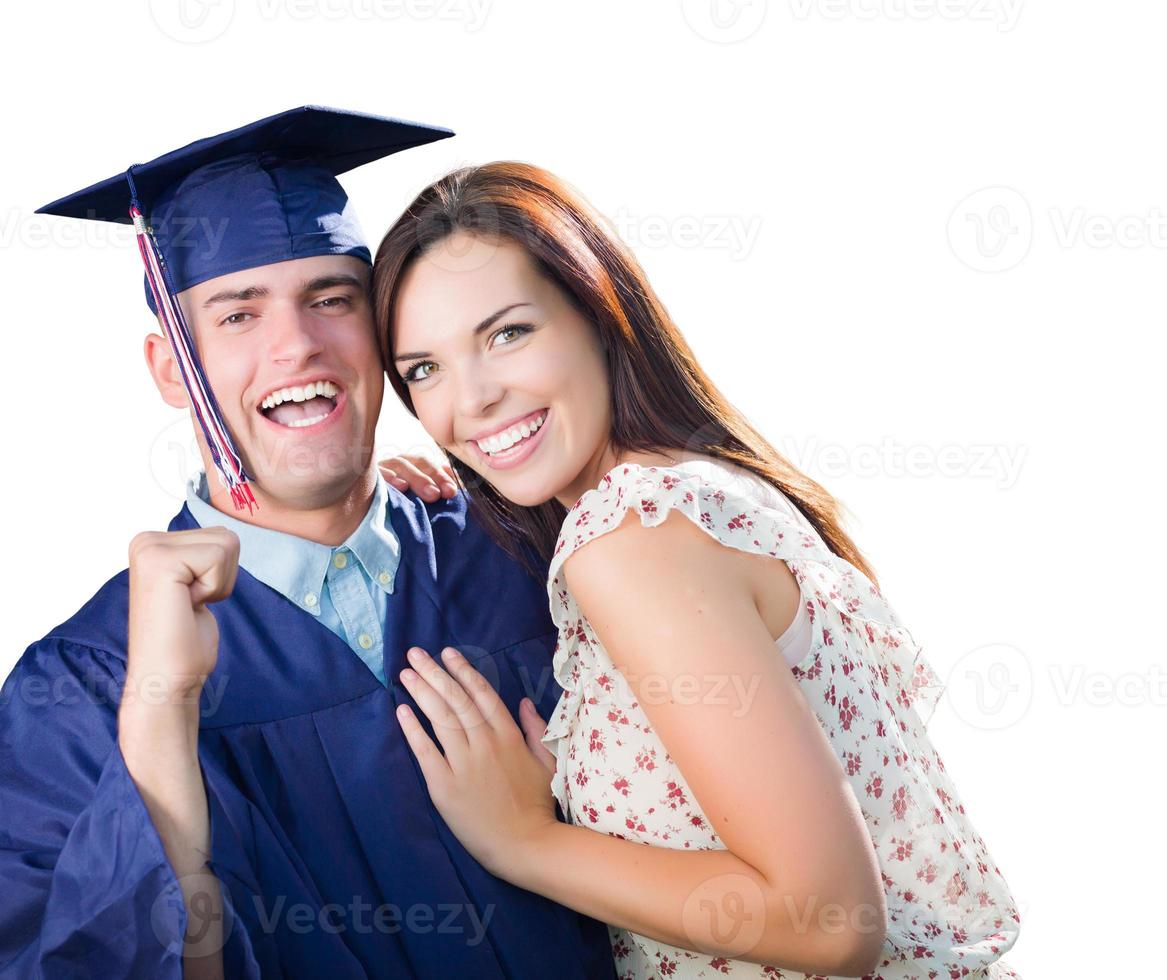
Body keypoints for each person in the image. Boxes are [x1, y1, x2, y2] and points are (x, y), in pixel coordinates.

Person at [0, 110, 617, 979]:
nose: (297, 344)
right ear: (170, 369)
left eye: (331, 300)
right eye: (237, 316)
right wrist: (159, 721)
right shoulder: (83, 685)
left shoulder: (531, 551)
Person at [369, 162, 1024, 979]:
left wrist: (524, 840)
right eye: (423, 369)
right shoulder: (696, 491)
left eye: (506, 334)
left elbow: (826, 923)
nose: (469, 402)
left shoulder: (633, 537)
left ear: (598, 314)